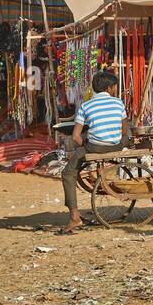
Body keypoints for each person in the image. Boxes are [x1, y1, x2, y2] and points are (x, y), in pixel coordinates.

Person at [61, 69, 128, 233]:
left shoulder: (85, 106)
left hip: (94, 147)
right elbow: (124, 131)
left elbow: (76, 136)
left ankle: (74, 217)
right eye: (114, 87)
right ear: (110, 88)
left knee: (67, 173)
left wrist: (84, 143)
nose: (114, 90)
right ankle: (100, 173)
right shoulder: (118, 103)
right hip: (116, 145)